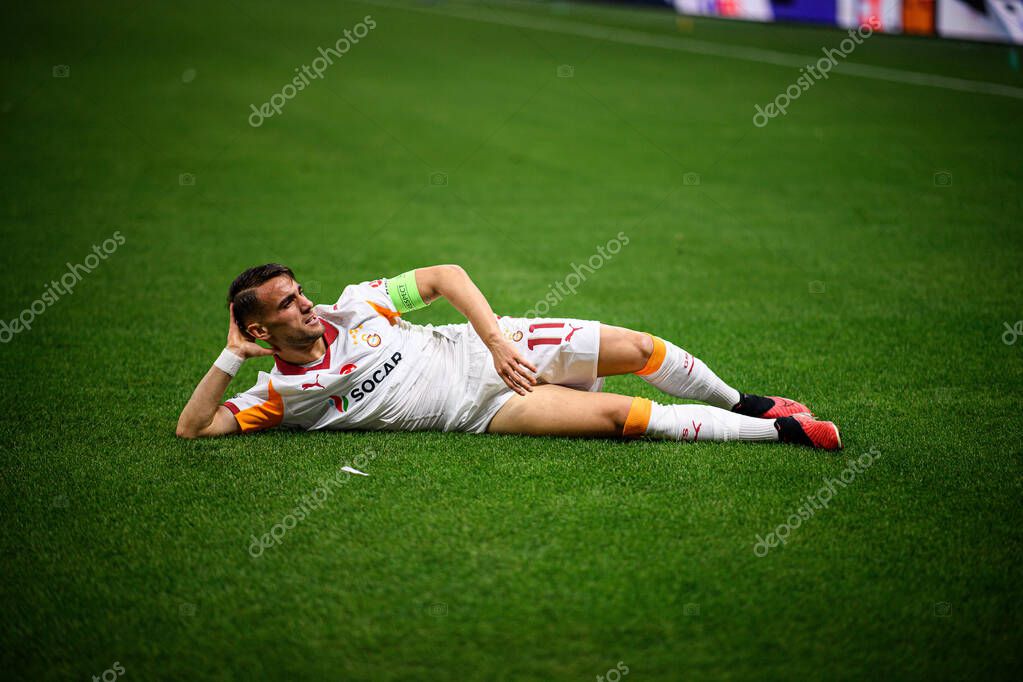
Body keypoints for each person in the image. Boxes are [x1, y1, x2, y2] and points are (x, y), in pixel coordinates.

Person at [176, 263, 841, 449]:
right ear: (259, 332)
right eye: (286, 306)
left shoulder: (357, 304)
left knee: (640, 349)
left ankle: (742, 402)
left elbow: (446, 275)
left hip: (493, 350)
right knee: (625, 418)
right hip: (482, 413)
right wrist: (230, 357)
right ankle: (780, 431)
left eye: (299, 293)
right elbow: (194, 427)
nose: (305, 306)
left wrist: (496, 341)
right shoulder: (277, 396)